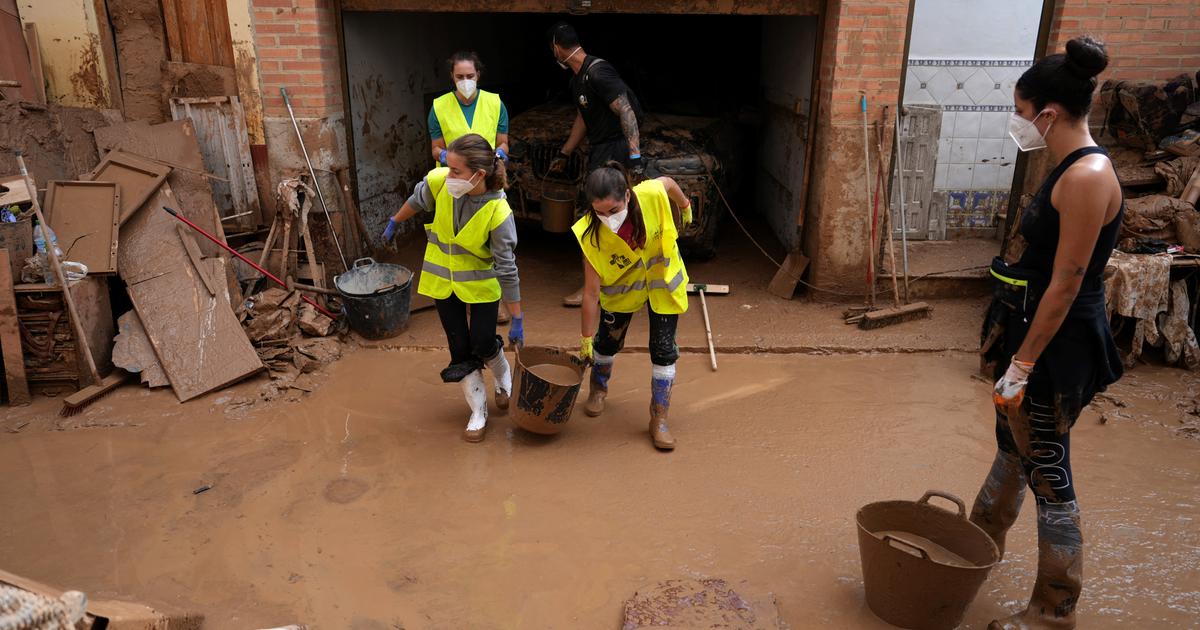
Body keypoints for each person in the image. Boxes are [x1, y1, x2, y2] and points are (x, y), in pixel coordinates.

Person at [973, 37, 1123, 630]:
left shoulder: (1086, 176)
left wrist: (1023, 365)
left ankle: (1053, 610)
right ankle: (978, 548)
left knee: (1050, 473)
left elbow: (1066, 283)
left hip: (1056, 349)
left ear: (1048, 113)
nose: (1018, 121)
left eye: (1019, 109)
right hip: (1033, 336)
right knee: (1014, 449)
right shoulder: (1066, 167)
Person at [382, 134, 524, 443]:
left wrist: (517, 316)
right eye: (448, 168)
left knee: (483, 342)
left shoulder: (499, 213)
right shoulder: (440, 182)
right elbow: (417, 199)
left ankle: (502, 373)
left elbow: (507, 268)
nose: (449, 176)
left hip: (481, 286)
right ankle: (479, 410)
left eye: (456, 171)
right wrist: (394, 221)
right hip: (443, 283)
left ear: (479, 175)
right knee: (460, 348)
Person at [574, 162, 693, 451]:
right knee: (607, 343)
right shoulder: (590, 233)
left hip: (661, 282)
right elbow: (590, 294)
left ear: (627, 196)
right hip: (623, 294)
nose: (608, 219)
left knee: (664, 350)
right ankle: (599, 389)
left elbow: (667, 182)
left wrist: (685, 205)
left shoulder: (649, 195)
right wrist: (586, 338)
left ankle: (659, 418)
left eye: (613, 211)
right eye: (599, 212)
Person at [548, 22, 646, 307]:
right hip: (600, 150)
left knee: (597, 216)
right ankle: (606, 280)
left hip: (617, 150)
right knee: (599, 217)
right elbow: (584, 118)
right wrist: (565, 152)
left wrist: (635, 159)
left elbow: (626, 110)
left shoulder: (599, 72)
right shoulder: (577, 80)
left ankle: (595, 284)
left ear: (556, 47)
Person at [428, 51, 514, 323]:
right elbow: (435, 149)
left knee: (493, 244)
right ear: (451, 78)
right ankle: (462, 298)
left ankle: (494, 299)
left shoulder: (495, 103)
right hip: (453, 183)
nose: (465, 81)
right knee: (458, 241)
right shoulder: (439, 106)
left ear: (479, 75)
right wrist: (447, 159)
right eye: (459, 77)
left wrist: (500, 156)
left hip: (485, 181)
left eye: (470, 76)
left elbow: (503, 143)